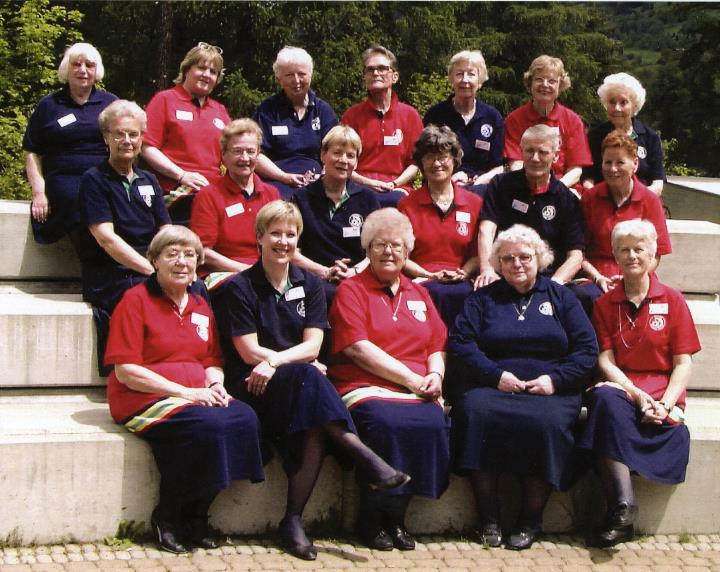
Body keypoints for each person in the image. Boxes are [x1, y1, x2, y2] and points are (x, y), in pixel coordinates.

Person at [219, 201, 409, 561]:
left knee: (314, 416)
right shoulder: (239, 287)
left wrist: (278, 360)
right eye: (275, 233)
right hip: (254, 386)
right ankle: (362, 455)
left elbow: (314, 345)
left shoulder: (310, 284)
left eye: (290, 234)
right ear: (259, 238)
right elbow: (248, 352)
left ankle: (292, 521)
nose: (283, 241)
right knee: (309, 376)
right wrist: (284, 362)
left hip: (295, 384)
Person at [105, 225, 264, 554]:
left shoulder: (200, 306)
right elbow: (126, 370)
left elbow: (211, 359)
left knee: (243, 418)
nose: (182, 262)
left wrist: (216, 383)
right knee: (204, 428)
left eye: (190, 255)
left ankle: (197, 514)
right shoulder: (134, 301)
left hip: (195, 395)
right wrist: (184, 392)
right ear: (155, 261)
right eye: (172, 254)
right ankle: (169, 515)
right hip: (142, 397)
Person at [448, 224, 598, 550]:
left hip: (549, 390)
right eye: (508, 258)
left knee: (547, 424)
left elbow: (587, 350)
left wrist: (554, 380)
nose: (517, 264)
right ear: (498, 264)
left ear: (540, 259)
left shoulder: (562, 297)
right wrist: (494, 375)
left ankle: (530, 519)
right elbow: (462, 344)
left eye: (525, 257)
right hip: (493, 386)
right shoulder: (482, 299)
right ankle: (488, 517)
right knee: (474, 413)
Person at [328, 208, 450, 552]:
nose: (388, 252)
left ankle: (397, 517)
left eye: (396, 246)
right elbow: (357, 349)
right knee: (385, 423)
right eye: (379, 245)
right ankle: (371, 519)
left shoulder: (419, 292)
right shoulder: (352, 290)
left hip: (415, 385)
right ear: (366, 250)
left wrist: (435, 375)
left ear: (407, 252)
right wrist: (413, 379)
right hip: (363, 383)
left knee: (431, 422)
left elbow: (436, 342)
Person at [578, 219, 700, 547]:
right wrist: (635, 394)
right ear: (615, 256)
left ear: (653, 254)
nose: (631, 255)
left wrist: (665, 403)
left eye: (639, 249)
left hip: (664, 392)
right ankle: (625, 505)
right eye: (624, 250)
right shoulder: (603, 304)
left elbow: (683, 363)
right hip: (624, 387)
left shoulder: (673, 300)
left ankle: (618, 515)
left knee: (604, 425)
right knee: (604, 403)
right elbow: (605, 361)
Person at [77, 100, 171, 372]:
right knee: (145, 295)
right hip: (111, 271)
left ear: (142, 138)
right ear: (106, 137)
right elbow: (106, 238)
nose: (126, 140)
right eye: (119, 134)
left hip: (150, 264)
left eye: (133, 134)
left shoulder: (149, 180)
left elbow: (164, 229)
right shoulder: (93, 180)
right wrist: (152, 270)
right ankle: (135, 372)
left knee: (197, 289)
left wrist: (170, 262)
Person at [23, 42, 117, 245]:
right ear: (67, 68)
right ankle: (94, 264)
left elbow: (128, 142)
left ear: (97, 70)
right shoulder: (49, 105)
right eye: (76, 64)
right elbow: (32, 152)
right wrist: (39, 192)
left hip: (104, 175)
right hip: (64, 179)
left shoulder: (111, 103)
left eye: (89, 65)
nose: (82, 70)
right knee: (76, 198)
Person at [476, 125, 585, 292]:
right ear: (521, 151)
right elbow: (486, 231)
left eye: (542, 152)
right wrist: (487, 269)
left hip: (548, 279)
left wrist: (554, 285)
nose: (535, 158)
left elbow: (575, 256)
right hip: (504, 276)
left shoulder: (567, 199)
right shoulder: (500, 185)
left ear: (555, 156)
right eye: (529, 151)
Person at [398, 125, 482, 326]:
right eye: (429, 157)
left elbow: (479, 254)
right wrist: (429, 275)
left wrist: (465, 272)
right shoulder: (407, 205)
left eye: (443, 156)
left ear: (454, 159)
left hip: (461, 281)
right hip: (421, 282)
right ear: (421, 163)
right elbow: (401, 257)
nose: (437, 163)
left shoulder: (474, 203)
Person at [142, 43, 231, 224]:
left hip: (213, 189)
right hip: (177, 189)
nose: (207, 75)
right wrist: (182, 175)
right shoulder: (165, 100)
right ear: (187, 68)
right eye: (201, 68)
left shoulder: (219, 110)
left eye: (213, 72)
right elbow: (146, 147)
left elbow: (236, 152)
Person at [292, 125, 380, 305]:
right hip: (314, 278)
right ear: (323, 155)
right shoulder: (301, 199)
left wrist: (354, 271)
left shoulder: (368, 199)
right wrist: (324, 271)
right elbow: (292, 252)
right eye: (337, 153)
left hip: (359, 277)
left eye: (350, 155)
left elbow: (379, 246)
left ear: (356, 162)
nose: (343, 160)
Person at [189, 118, 280, 291]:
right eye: (237, 151)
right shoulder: (209, 195)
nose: (245, 158)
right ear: (224, 155)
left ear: (258, 154)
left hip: (268, 270)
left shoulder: (271, 193)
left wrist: (323, 271)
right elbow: (203, 252)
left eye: (250, 151)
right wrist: (250, 271)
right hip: (226, 274)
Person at [581, 131, 671, 295]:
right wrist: (597, 277)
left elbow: (656, 254)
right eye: (608, 162)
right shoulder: (589, 199)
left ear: (635, 164)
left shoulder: (650, 200)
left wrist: (631, 278)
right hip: (596, 277)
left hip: (639, 274)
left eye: (620, 162)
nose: (613, 169)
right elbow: (579, 251)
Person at [342, 45, 423, 207]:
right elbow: (343, 162)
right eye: (370, 69)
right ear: (364, 77)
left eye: (382, 68)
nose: (376, 73)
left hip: (398, 189)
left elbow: (416, 163)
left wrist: (394, 184)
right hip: (359, 187)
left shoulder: (410, 116)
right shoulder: (351, 116)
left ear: (395, 76)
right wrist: (369, 183)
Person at [253, 46, 339, 199]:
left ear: (310, 76)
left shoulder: (323, 110)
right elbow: (256, 154)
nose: (296, 81)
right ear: (279, 79)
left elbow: (336, 150)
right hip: (277, 181)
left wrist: (324, 176)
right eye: (289, 75)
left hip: (317, 181)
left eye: (301, 74)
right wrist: (284, 177)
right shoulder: (267, 110)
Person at [504, 55, 592, 191]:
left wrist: (553, 189)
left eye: (552, 81)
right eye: (539, 79)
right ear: (530, 83)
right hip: (524, 186)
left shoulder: (572, 120)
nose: (545, 85)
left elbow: (575, 170)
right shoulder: (515, 119)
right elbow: (516, 164)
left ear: (560, 85)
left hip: (562, 187)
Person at [423, 50, 504, 187]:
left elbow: (499, 166)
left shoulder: (493, 117)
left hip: (481, 187)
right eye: (459, 74)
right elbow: (426, 159)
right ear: (451, 79)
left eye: (471, 74)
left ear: (480, 81)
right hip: (440, 185)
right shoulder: (435, 115)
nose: (465, 79)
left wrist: (479, 181)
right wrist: (450, 178)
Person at [583, 73, 665, 195]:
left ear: (634, 105)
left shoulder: (650, 137)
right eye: (612, 102)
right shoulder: (594, 136)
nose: (617, 108)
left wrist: (633, 198)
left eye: (623, 102)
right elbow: (587, 180)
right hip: (603, 204)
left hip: (642, 204)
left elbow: (658, 184)